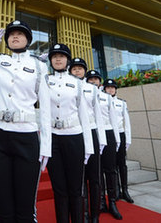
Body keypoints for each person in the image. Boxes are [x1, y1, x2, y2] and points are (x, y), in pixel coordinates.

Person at [0, 20, 51, 222]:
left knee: (25, 206)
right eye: (11, 34)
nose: (15, 36)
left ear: (28, 39)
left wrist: (46, 146)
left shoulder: (39, 66)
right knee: (2, 204)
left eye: (20, 33)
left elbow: (45, 109)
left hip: (26, 136)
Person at [47, 43, 93, 223]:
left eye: (62, 56)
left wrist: (88, 147)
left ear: (67, 60)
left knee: (75, 188)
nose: (58, 59)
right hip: (52, 139)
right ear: (50, 60)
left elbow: (84, 117)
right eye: (54, 56)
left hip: (74, 137)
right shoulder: (44, 81)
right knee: (59, 189)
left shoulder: (77, 84)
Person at [68, 59, 106, 223]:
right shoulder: (66, 86)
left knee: (95, 177)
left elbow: (99, 116)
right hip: (75, 133)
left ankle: (95, 215)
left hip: (91, 132)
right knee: (79, 177)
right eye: (74, 68)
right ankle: (82, 214)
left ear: (85, 71)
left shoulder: (92, 89)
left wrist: (102, 140)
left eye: (80, 68)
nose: (77, 71)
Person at [86, 71, 122, 220]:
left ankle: (112, 202)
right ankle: (100, 202)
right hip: (93, 134)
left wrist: (117, 139)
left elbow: (114, 119)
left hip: (108, 134)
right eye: (91, 79)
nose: (94, 81)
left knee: (110, 169)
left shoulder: (106, 97)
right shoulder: (84, 94)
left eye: (96, 79)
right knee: (96, 171)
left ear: (100, 82)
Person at [105, 79, 134, 205]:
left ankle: (125, 190)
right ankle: (116, 190)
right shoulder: (102, 102)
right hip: (110, 135)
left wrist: (127, 139)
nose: (111, 90)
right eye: (108, 88)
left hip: (121, 135)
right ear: (104, 89)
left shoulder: (121, 103)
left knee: (122, 164)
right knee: (111, 164)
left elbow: (126, 122)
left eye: (113, 88)